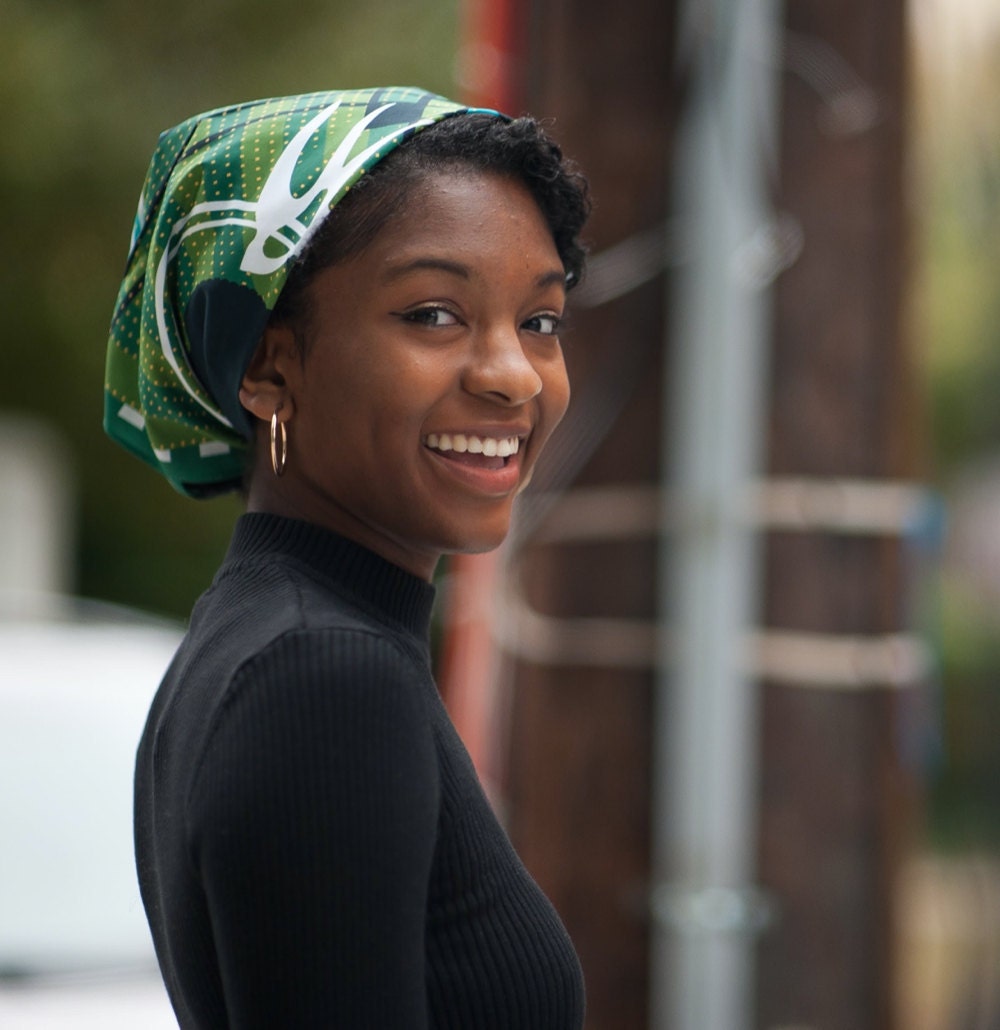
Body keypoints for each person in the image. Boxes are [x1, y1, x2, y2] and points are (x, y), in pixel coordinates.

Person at [103, 86, 590, 1028]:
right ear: (268, 367)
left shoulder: (267, 637)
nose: (511, 375)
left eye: (540, 320)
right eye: (434, 314)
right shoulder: (323, 675)